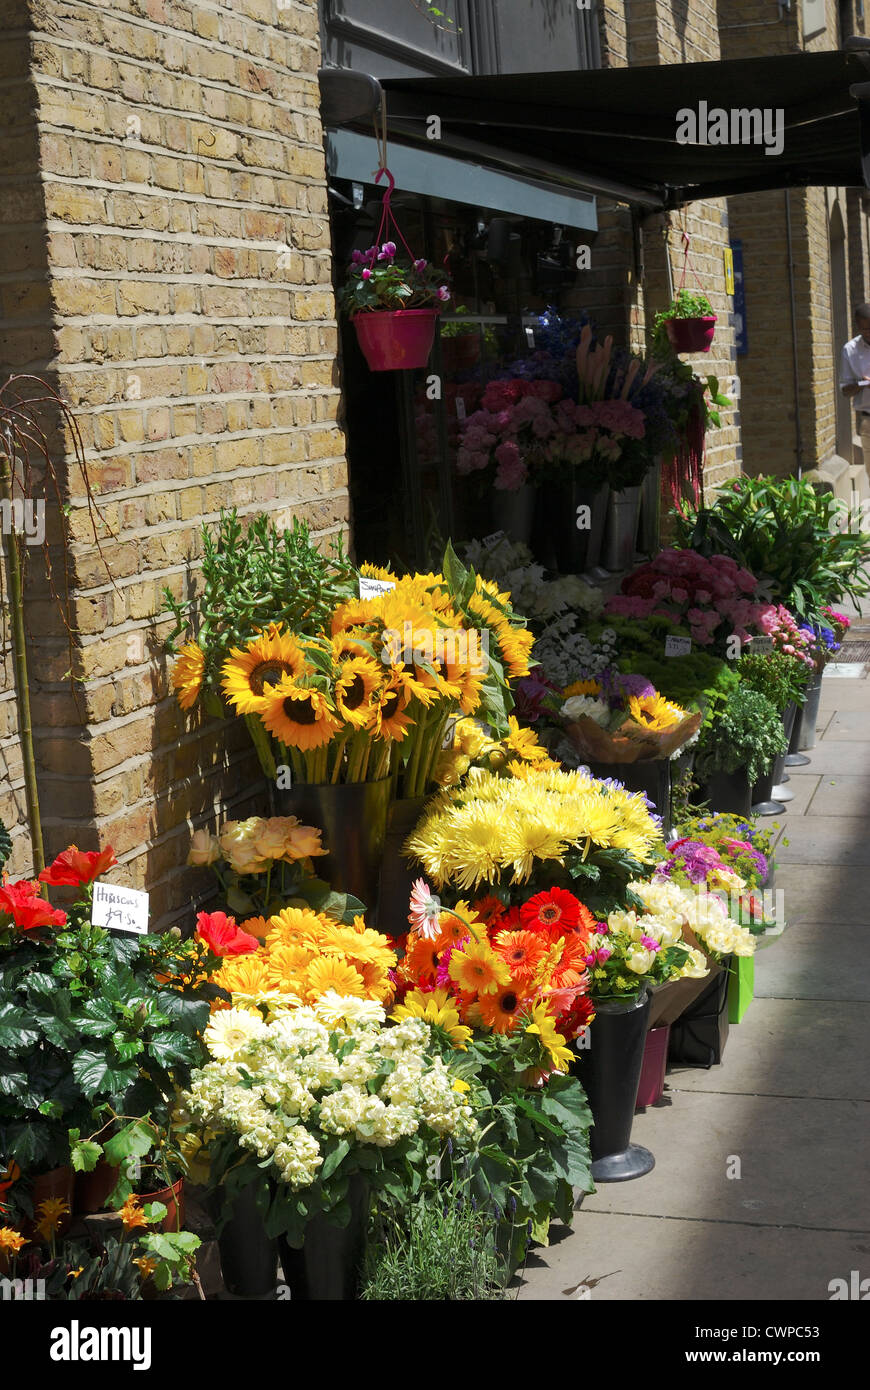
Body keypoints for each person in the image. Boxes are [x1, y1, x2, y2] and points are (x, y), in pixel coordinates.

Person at [839, 303, 870, 468]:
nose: (868, 333)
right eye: (864, 329)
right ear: (857, 326)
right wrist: (863, 383)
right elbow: (845, 390)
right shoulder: (850, 350)